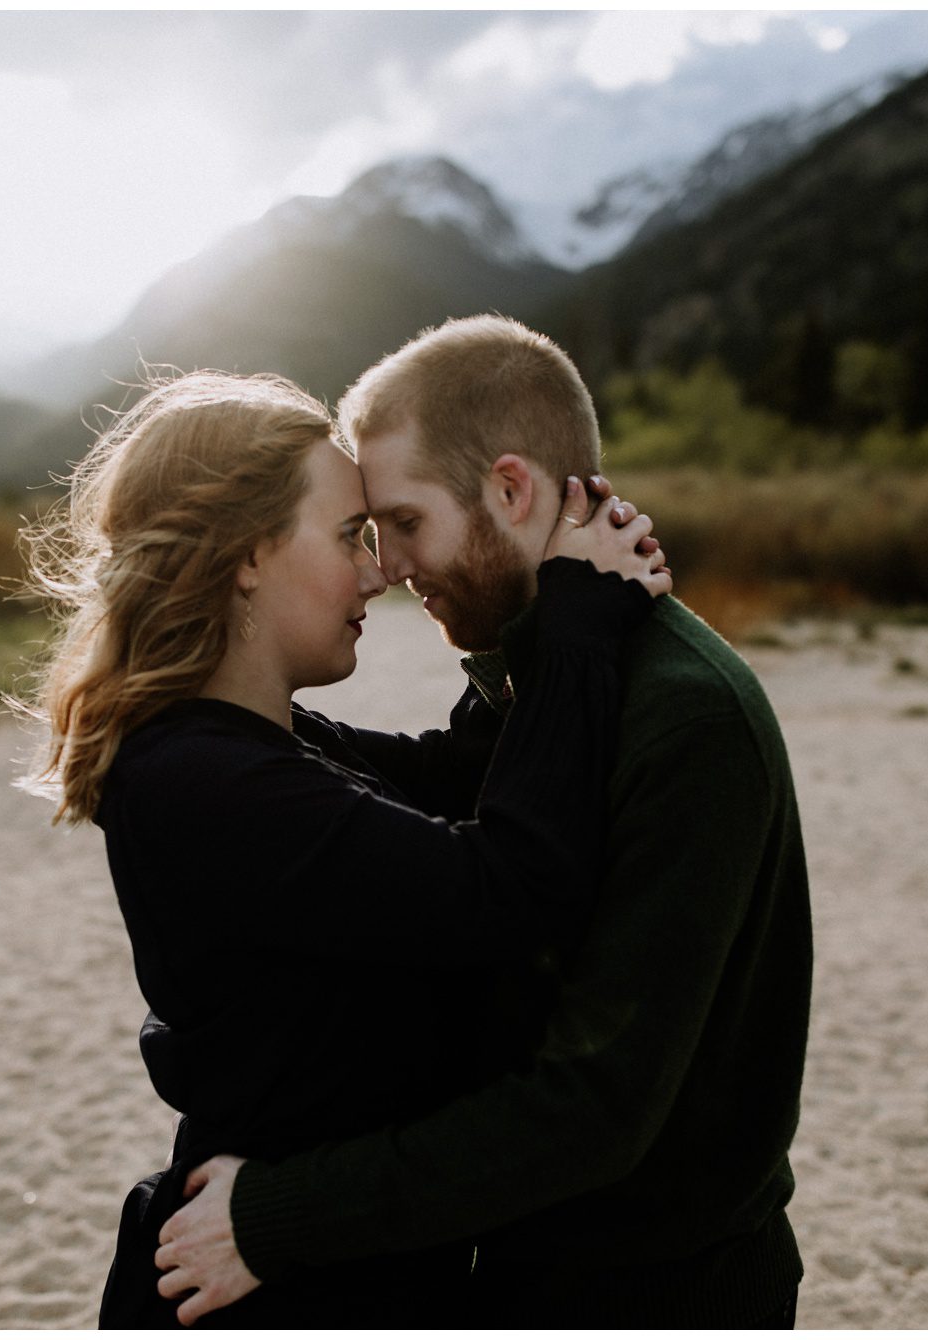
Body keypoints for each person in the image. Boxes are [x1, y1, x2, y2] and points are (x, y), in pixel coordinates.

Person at [157, 316, 814, 1328]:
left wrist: (278, 1216)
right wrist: (211, 711)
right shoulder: (559, 668)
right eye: (365, 531)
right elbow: (442, 779)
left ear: (508, 490)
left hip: (658, 1289)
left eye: (404, 522)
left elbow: (594, 1107)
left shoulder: (682, 716)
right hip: (527, 1264)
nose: (388, 564)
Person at [16, 369, 671, 1326]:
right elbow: (512, 889)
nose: (378, 571)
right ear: (247, 555)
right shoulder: (204, 782)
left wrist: (534, 587)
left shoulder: (263, 743)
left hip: (326, 1271)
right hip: (279, 1294)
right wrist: (572, 626)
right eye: (345, 538)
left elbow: (464, 772)